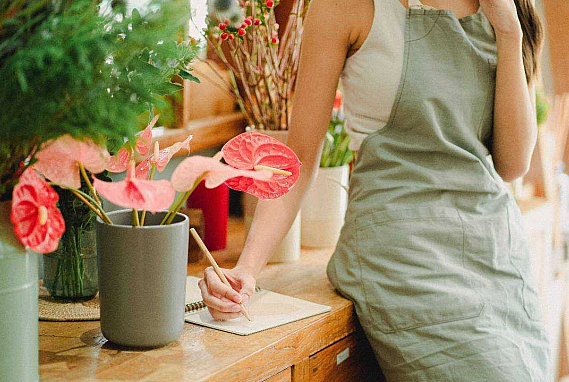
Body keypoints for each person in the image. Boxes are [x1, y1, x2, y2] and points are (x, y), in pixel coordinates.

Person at [199, 0, 550, 380]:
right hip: (402, 262)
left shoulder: (503, 10)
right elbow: (297, 157)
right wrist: (247, 269)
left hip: (496, 260)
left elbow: (513, 163)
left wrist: (510, 33)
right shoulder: (347, 6)